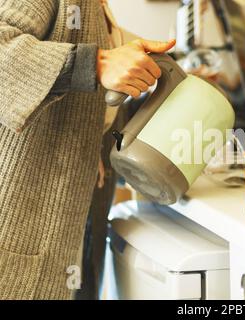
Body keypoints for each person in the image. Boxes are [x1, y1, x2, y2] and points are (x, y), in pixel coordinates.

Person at [0, 0, 175, 299]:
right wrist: (96, 62)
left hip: (76, 233)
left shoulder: (97, 10)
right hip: (17, 235)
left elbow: (88, 116)